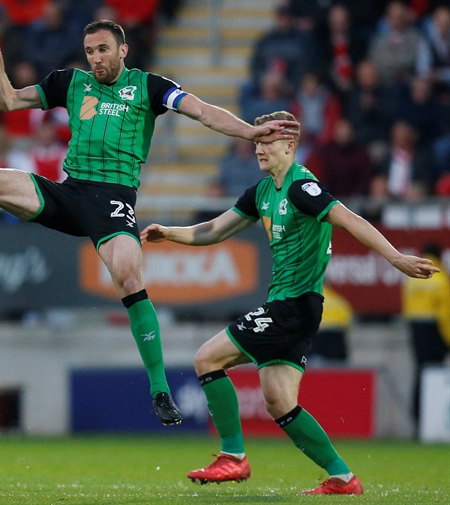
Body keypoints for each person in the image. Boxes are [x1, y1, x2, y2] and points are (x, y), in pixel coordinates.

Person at [0, 19, 300, 426]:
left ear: (123, 50)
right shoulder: (70, 83)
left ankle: (160, 388)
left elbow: (202, 111)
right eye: (90, 50)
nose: (96, 58)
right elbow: (8, 100)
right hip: (68, 193)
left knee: (129, 274)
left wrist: (250, 132)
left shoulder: (148, 87)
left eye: (103, 50)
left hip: (112, 202)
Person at [140, 110, 439, 495]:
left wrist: (395, 257)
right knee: (279, 401)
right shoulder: (262, 192)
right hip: (292, 308)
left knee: (206, 359)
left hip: (293, 306)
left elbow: (350, 219)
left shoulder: (302, 187)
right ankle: (343, 478)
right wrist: (171, 233)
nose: (259, 148)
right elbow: (215, 229)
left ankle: (233, 456)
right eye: (256, 141)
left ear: (290, 145)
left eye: (267, 141)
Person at [402, 243, 450, 427]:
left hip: (415, 329)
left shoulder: (411, 280)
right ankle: (433, 421)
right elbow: (445, 315)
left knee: (420, 373)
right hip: (434, 332)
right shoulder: (440, 279)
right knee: (435, 376)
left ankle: (418, 416)